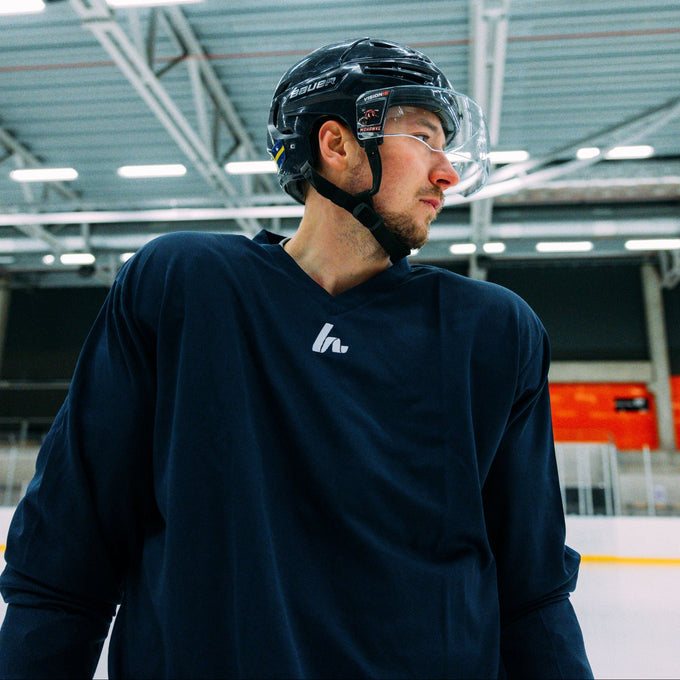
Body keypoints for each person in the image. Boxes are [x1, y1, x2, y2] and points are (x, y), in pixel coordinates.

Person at [0, 37, 592, 679]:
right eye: (423, 138)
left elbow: (532, 592)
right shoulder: (185, 287)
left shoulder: (494, 331)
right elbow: (66, 556)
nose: (446, 174)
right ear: (336, 145)